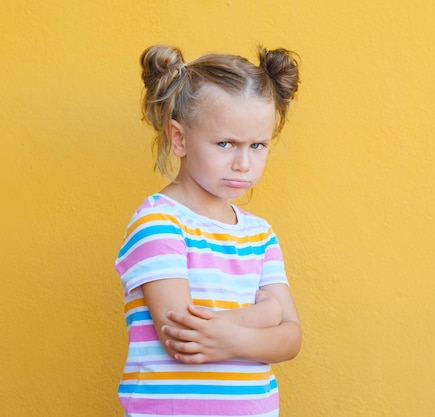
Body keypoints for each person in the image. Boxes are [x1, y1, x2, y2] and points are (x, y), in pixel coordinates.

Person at [114, 44, 301, 417]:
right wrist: (262, 317)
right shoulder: (159, 223)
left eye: (258, 145)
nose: (243, 163)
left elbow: (291, 337)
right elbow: (181, 336)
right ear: (179, 138)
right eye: (225, 143)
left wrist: (233, 336)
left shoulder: (259, 236)